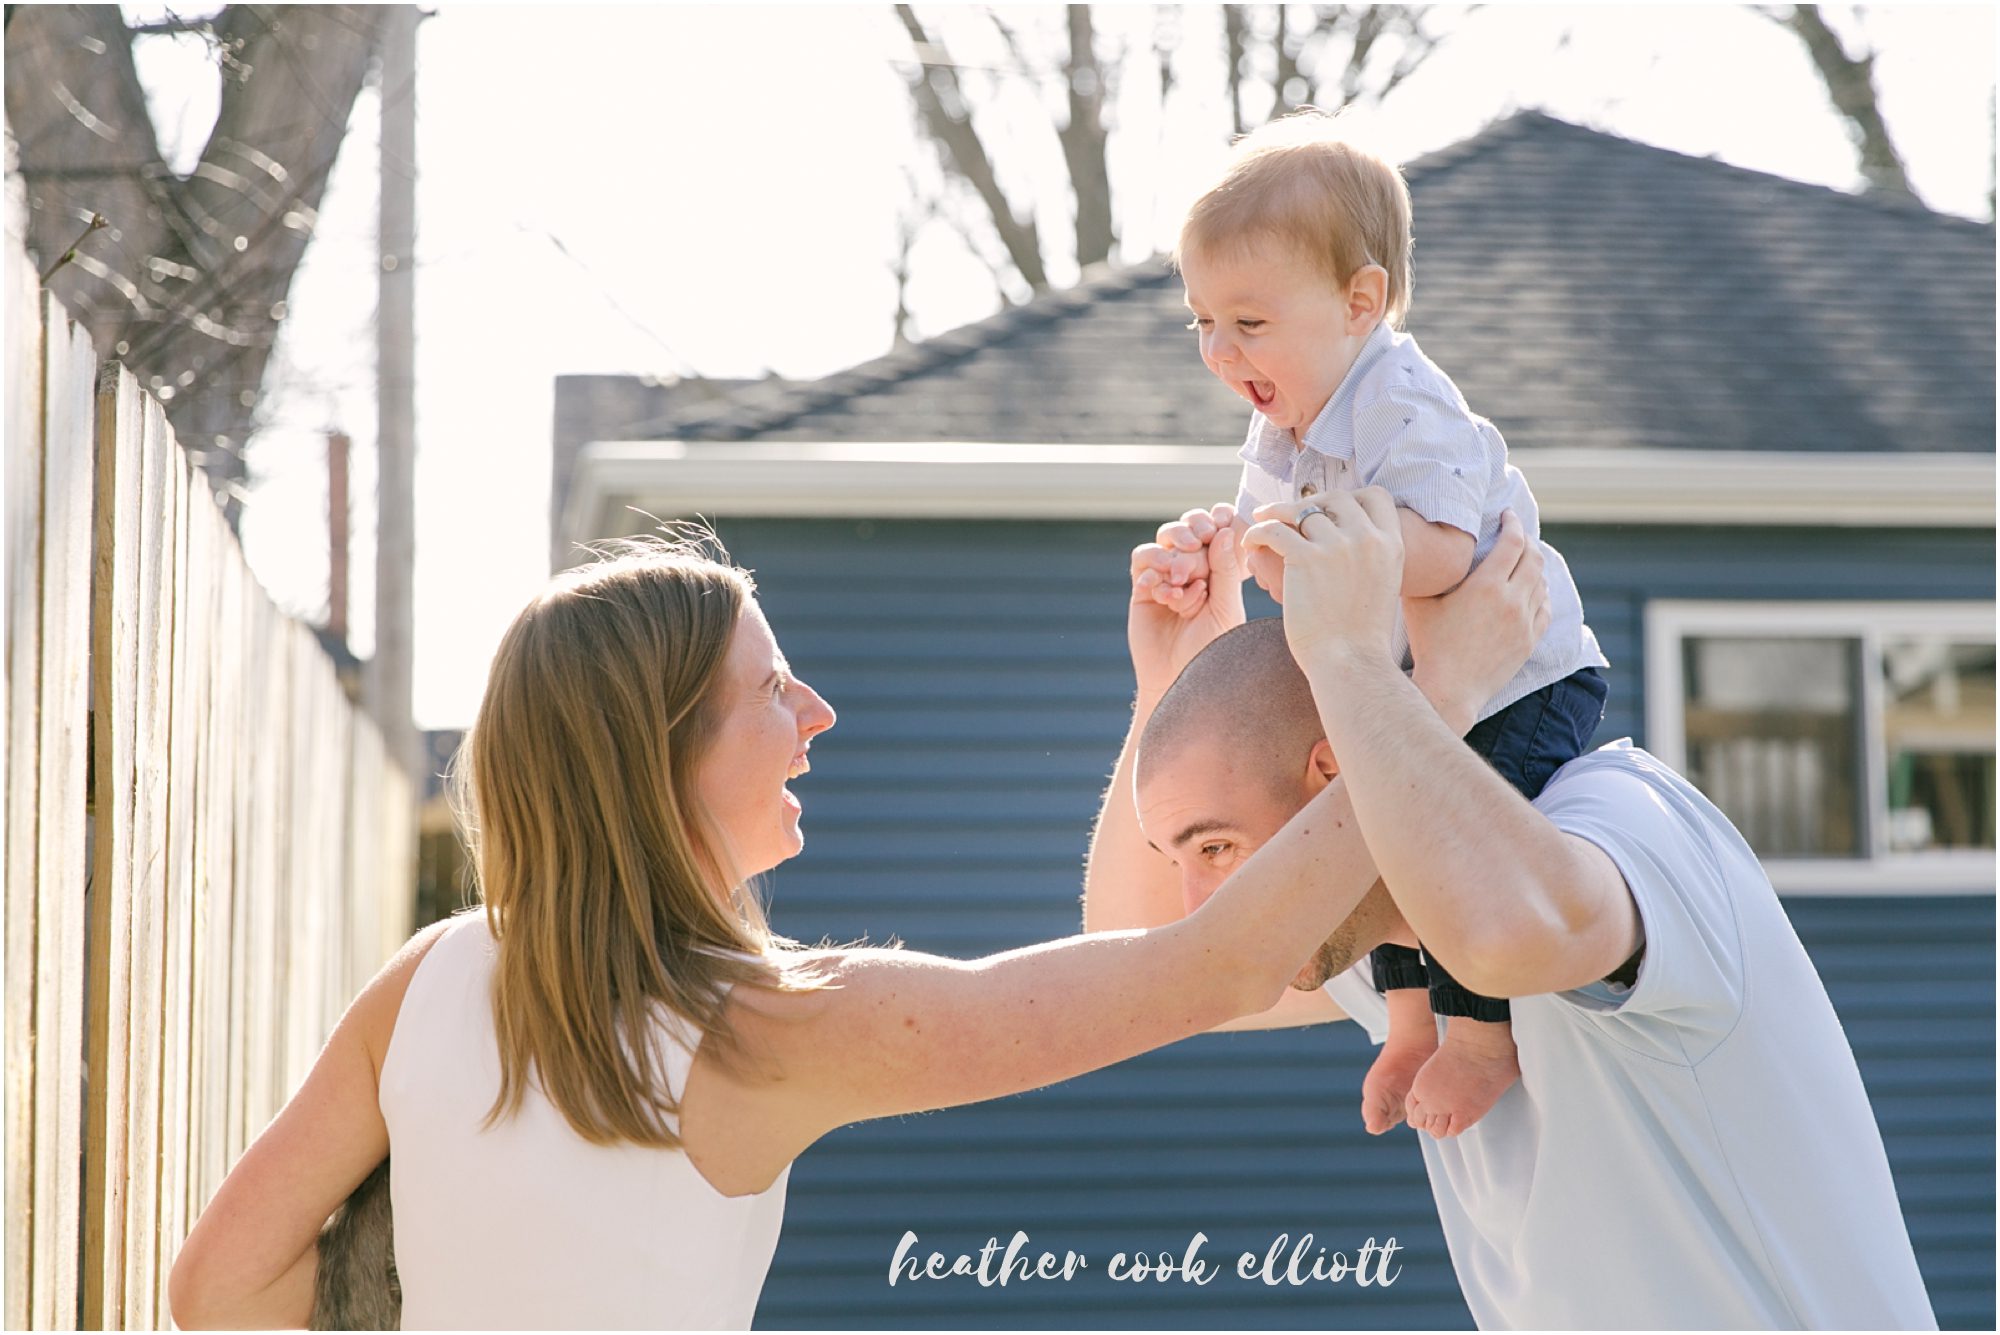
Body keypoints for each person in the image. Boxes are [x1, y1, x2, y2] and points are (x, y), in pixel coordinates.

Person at [166, 527, 1544, 1331]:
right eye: (770, 687)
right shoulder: (770, 1025)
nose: (818, 710)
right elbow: (1214, 963)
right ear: (665, 757)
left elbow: (218, 1284)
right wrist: (1430, 703)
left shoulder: (428, 975)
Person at [1092, 487, 1937, 1329]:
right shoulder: (1387, 942)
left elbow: (1509, 935)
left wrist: (1374, 674)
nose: (1198, 903)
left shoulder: (1623, 819)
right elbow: (1139, 975)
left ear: (1332, 771)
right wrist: (1169, 679)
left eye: (1214, 849)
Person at [1159, 108, 1609, 1137]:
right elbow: (1269, 542)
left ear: (1359, 303)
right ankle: (1406, 1020)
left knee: (1454, 834)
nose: (1219, 351)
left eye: (1247, 322)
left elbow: (1447, 548)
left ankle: (1478, 1039)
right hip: (1412, 686)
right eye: (1200, 323)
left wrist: (1330, 549)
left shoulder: (1402, 403)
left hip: (1517, 678)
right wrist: (1233, 553)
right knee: (1380, 834)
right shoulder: (1283, 423)